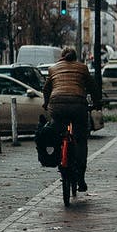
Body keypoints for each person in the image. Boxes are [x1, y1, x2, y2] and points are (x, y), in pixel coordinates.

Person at [43, 46, 100, 192]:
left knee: (57, 134)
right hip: (78, 106)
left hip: (57, 106)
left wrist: (46, 102)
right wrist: (96, 102)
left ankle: (59, 156)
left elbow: (46, 89)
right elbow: (92, 87)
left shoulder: (53, 69)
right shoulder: (82, 68)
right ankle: (80, 178)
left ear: (62, 56)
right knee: (80, 140)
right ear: (75, 57)